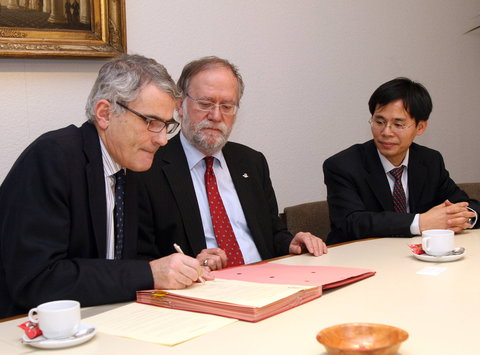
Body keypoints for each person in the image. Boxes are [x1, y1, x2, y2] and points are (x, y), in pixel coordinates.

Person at [0, 54, 210, 319]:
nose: (162, 140)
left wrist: (186, 266)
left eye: (166, 125)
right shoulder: (53, 157)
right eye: (151, 123)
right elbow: (36, 281)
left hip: (107, 319)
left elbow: (133, 260)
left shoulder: (132, 166)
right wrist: (150, 273)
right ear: (105, 114)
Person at [137, 56, 327, 271]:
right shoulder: (147, 168)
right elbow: (142, 258)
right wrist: (191, 265)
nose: (216, 115)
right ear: (180, 106)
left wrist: (290, 243)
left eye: (227, 106)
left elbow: (271, 233)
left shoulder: (252, 162)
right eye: (205, 104)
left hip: (268, 281)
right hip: (201, 291)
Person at [323, 77, 479, 245]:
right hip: (360, 258)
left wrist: (463, 218)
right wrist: (421, 222)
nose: (386, 132)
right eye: (379, 122)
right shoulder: (342, 165)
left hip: (415, 257)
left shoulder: (430, 161)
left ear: (420, 127)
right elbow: (352, 222)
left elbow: (465, 204)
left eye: (398, 124)